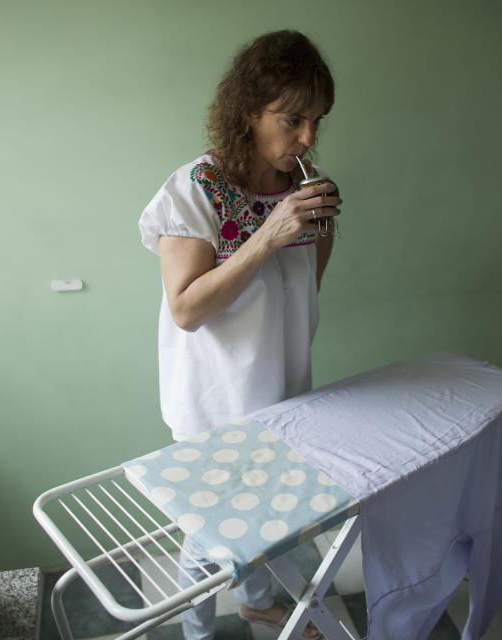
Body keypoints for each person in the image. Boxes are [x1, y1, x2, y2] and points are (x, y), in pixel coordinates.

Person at [138, 30, 340, 640]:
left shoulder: (303, 192)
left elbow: (303, 288)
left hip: (280, 385)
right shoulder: (195, 190)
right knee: (208, 531)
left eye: (317, 121)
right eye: (293, 119)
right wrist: (269, 235)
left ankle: (255, 602)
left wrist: (309, 228)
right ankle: (197, 630)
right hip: (214, 397)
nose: (307, 138)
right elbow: (187, 309)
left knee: (266, 512)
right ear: (249, 111)